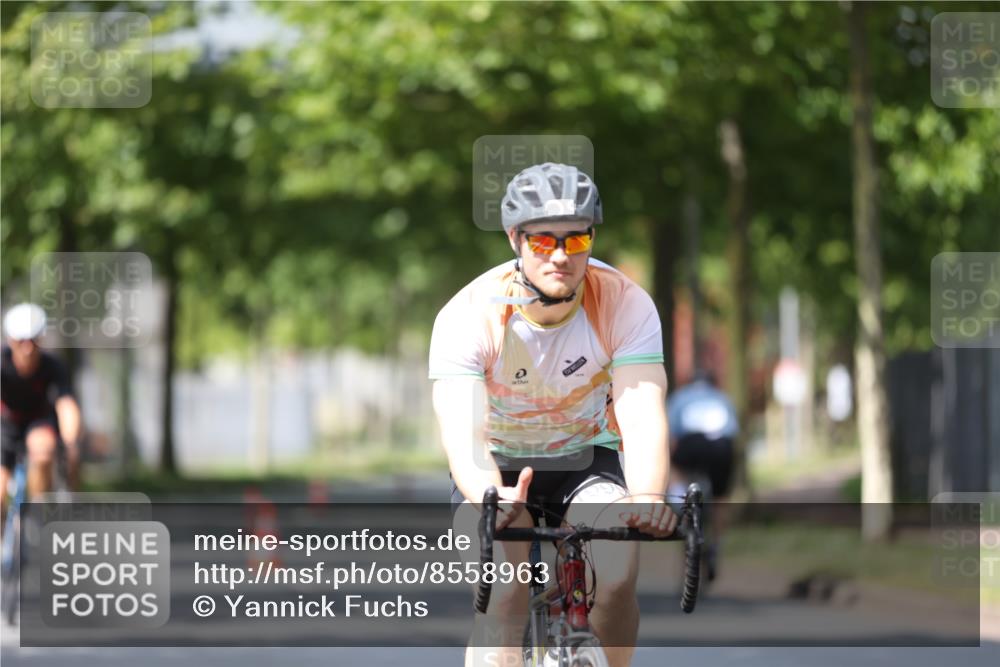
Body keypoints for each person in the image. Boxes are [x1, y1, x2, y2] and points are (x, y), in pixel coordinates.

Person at [429, 163, 675, 667]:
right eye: (543, 242)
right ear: (515, 239)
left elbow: (641, 411)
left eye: (576, 239)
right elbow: (464, 438)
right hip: (496, 471)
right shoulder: (468, 315)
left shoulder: (624, 302)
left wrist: (648, 496)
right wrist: (490, 496)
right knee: (506, 594)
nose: (561, 256)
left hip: (585, 461)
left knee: (618, 575)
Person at [0, 303, 82, 519]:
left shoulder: (53, 367)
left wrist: (71, 443)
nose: (28, 347)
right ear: (10, 340)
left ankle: (38, 516)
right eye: (21, 341)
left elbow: (66, 407)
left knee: (43, 448)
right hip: (6, 427)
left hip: (39, 422)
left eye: (34, 340)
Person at [666, 369, 738, 581]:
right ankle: (717, 543)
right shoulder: (723, 398)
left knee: (674, 467)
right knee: (720, 497)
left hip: (691, 445)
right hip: (721, 447)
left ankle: (679, 500)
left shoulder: (680, 397)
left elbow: (670, 435)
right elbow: (733, 432)